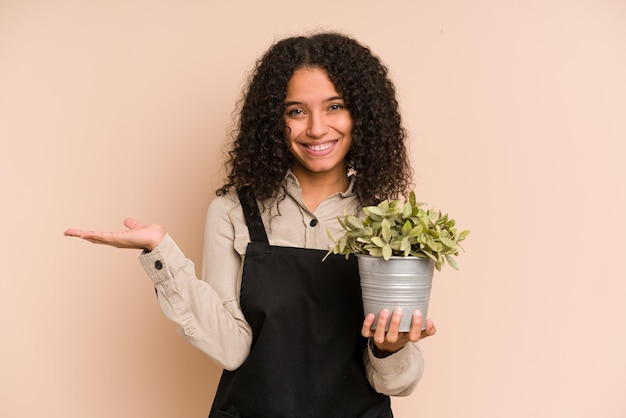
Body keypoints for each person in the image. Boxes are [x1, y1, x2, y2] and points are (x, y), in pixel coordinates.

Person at [65, 32, 436, 418]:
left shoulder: (388, 226)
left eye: (334, 107)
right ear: (273, 121)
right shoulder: (232, 212)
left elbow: (394, 383)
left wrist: (389, 348)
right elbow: (231, 349)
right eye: (296, 111)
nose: (316, 128)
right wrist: (161, 252)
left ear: (362, 114)